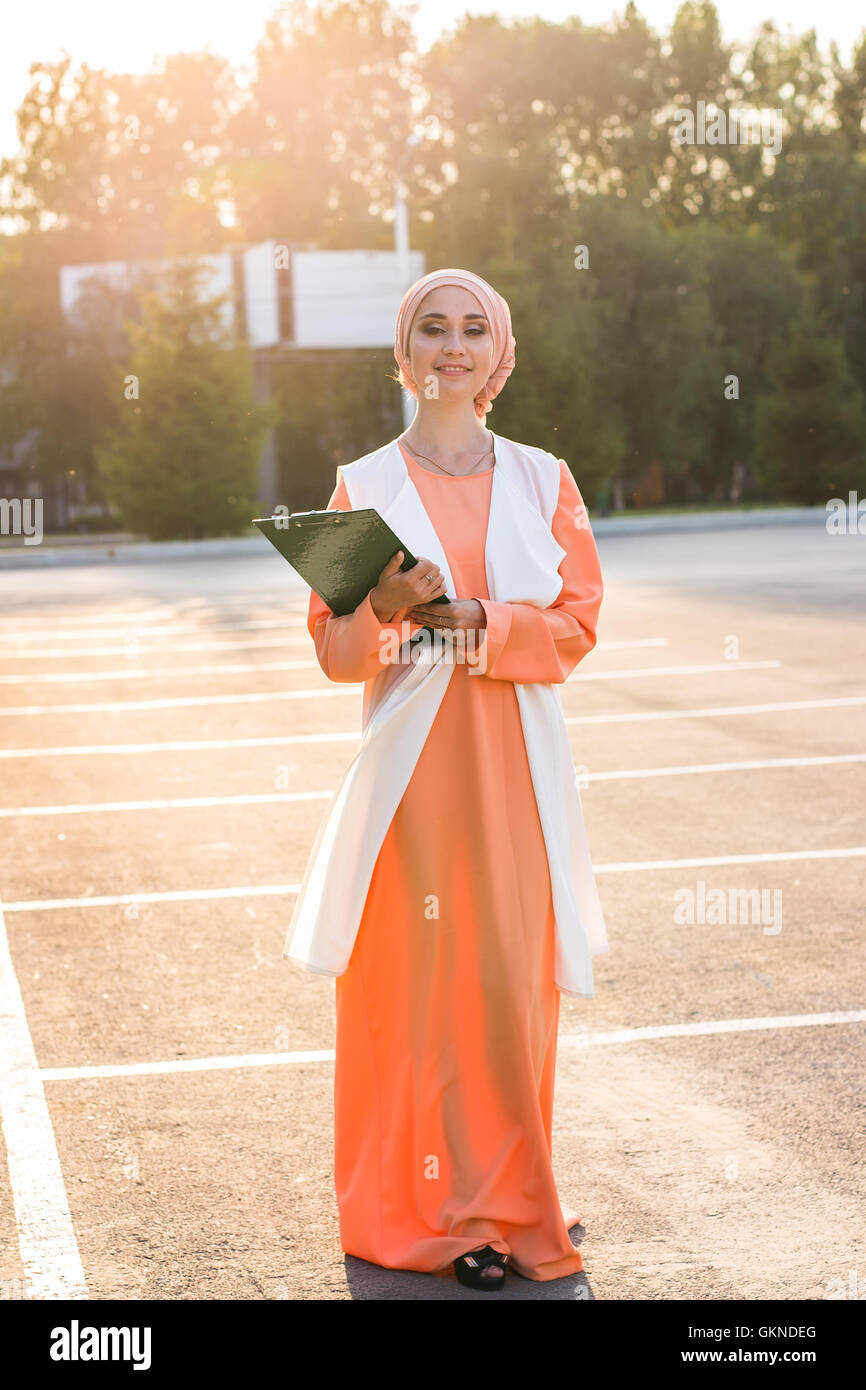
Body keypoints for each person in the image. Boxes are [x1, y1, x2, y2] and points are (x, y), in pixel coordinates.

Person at [284, 267, 609, 1290]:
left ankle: (507, 1202)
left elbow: (578, 623)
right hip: (407, 779)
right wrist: (382, 607)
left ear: (497, 357)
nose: (452, 346)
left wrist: (479, 622)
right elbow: (336, 655)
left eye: (473, 329)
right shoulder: (359, 486)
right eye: (433, 328)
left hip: (512, 761)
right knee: (407, 990)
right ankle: (406, 1209)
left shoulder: (543, 477)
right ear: (404, 352)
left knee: (506, 986)